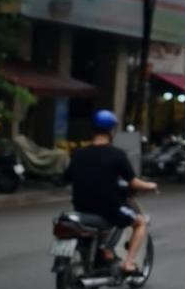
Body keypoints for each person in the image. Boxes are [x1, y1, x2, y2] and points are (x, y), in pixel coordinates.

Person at [65, 109, 157, 275]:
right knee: (140, 222)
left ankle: (104, 251)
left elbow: (66, 178)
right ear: (111, 131)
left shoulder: (78, 154)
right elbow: (134, 182)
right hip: (108, 208)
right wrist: (151, 186)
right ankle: (128, 263)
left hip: (81, 207)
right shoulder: (117, 155)